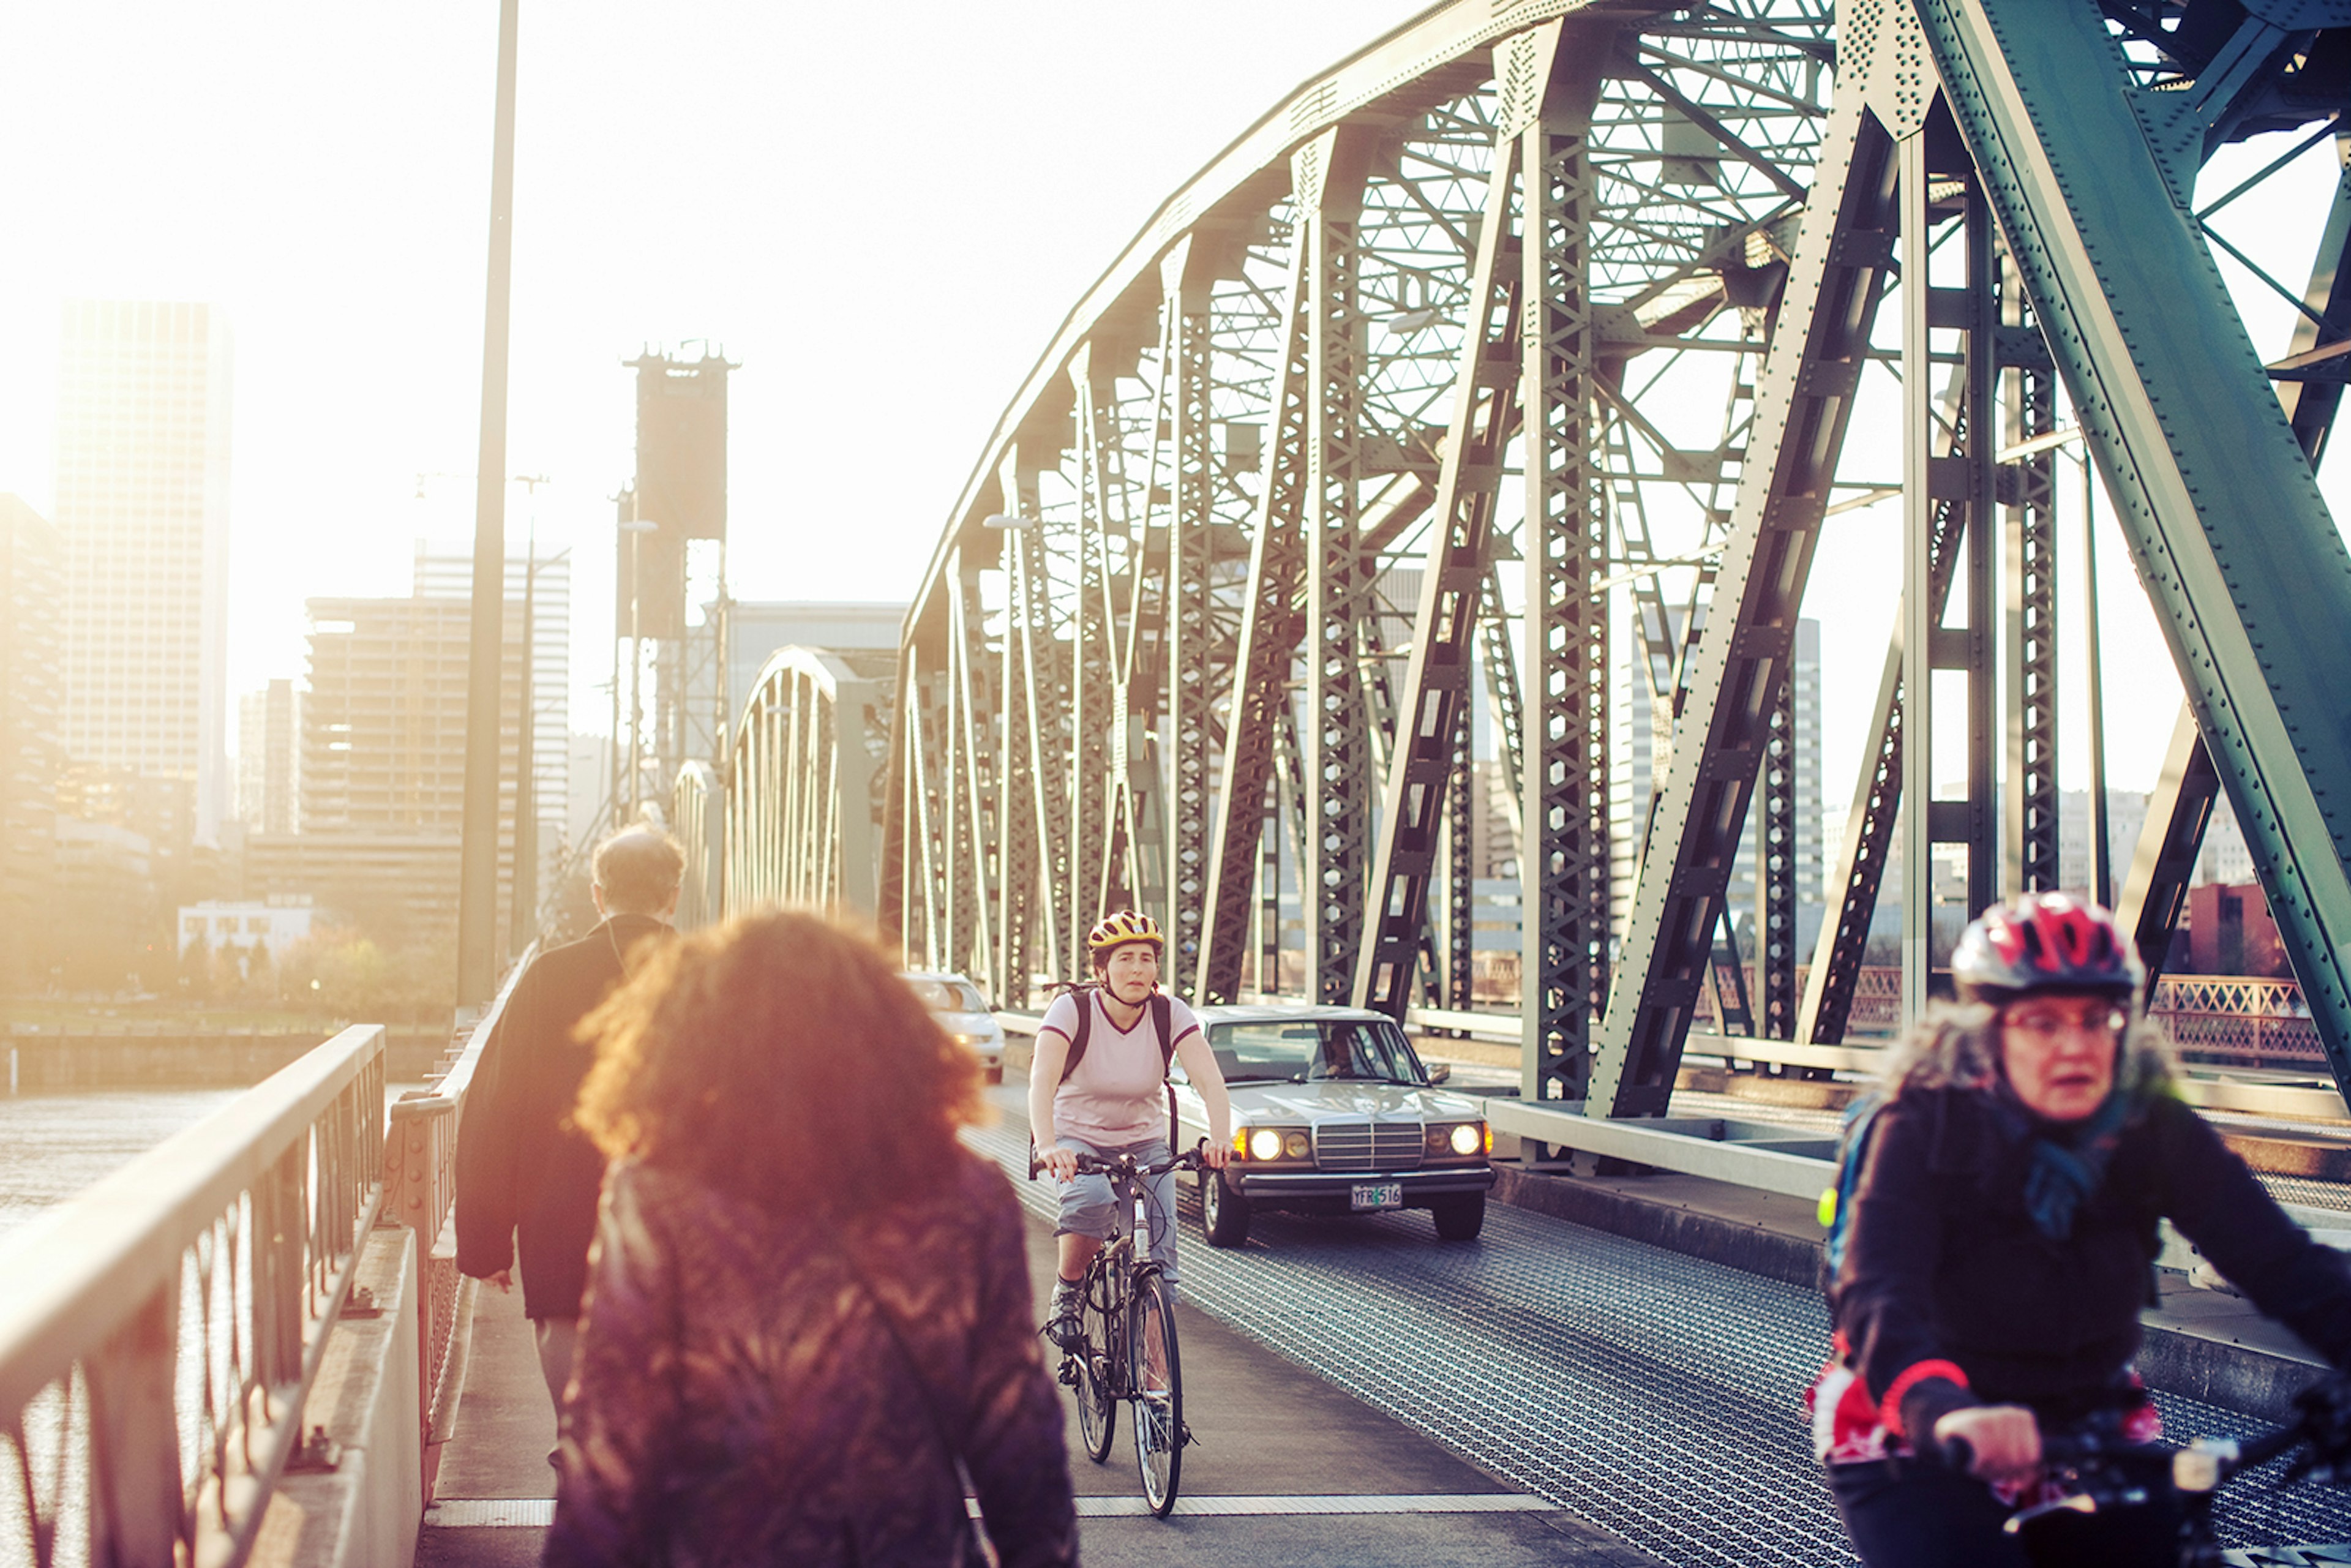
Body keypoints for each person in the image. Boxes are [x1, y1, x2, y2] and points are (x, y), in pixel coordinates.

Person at [1815, 891, 2351, 1566]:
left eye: (2098, 1019)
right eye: (2042, 1022)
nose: (2077, 1044)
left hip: (2085, 1417)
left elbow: (2281, 1262)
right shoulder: (1924, 1125)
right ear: (1990, 1031)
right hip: (1924, 1417)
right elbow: (1877, 1292)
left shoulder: (2149, 1126)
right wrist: (1940, 1407)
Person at [542, 909, 1077, 1568]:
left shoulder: (661, 1193)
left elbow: (610, 1437)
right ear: (886, 1039)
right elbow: (1015, 1432)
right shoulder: (965, 1195)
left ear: (703, 1041)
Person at [455, 825, 683, 1424]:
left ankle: (577, 1443)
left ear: (599, 892)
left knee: (562, 1315)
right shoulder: (715, 974)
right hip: (683, 1192)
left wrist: (485, 1237)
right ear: (674, 895)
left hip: (561, 1189)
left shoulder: (548, 975)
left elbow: (498, 1104)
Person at [1032, 909, 1232, 1348]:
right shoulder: (1072, 1009)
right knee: (1092, 1199)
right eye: (1125, 958)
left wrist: (1221, 1137)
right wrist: (1048, 1145)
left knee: (1158, 1262)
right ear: (1101, 969)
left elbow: (1209, 1079)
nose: (1137, 968)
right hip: (1078, 1140)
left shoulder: (1169, 1013)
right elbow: (1042, 1081)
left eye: (1147, 958)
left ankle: (1157, 1396)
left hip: (1144, 1141)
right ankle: (1069, 1288)